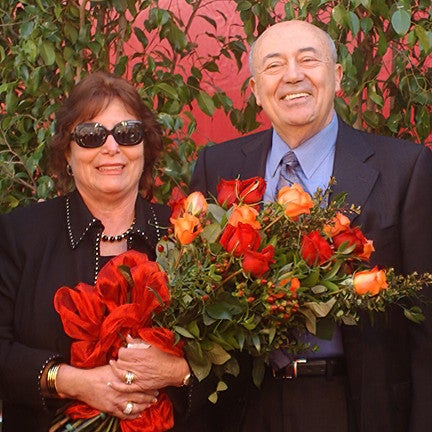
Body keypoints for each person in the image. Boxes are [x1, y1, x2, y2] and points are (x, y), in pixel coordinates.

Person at [190, 20, 432, 432]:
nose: (292, 75)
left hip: (354, 405)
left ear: (337, 77)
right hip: (245, 406)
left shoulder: (405, 169)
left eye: (308, 59)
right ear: (255, 90)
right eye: (274, 65)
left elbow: (426, 327)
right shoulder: (218, 166)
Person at [0, 72, 199, 432]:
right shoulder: (18, 236)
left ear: (145, 147)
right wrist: (73, 381)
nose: (111, 148)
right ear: (68, 153)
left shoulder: (186, 233)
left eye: (127, 133)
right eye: (91, 136)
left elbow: (237, 361)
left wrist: (178, 371)